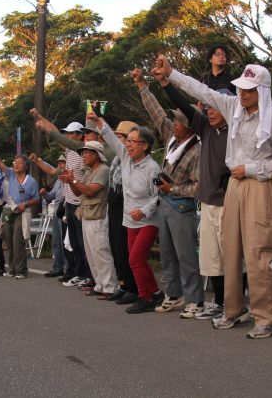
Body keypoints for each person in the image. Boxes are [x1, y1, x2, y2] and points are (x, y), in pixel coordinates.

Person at [154, 55, 272, 338]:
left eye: (249, 90)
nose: (242, 94)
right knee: (230, 249)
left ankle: (268, 318)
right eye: (240, 88)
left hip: (257, 185)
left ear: (262, 92)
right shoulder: (232, 107)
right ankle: (233, 309)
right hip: (234, 186)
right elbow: (202, 92)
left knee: (258, 252)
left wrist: (252, 168)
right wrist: (172, 74)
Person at [154, 73, 232, 320]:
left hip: (224, 203)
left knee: (226, 258)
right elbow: (180, 106)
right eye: (207, 108)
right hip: (205, 203)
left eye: (215, 107)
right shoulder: (201, 132)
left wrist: (173, 190)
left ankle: (225, 304)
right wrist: (164, 83)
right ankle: (216, 302)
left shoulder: (234, 132)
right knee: (210, 259)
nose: (209, 112)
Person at [132, 69, 204, 319]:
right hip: (164, 204)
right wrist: (142, 85)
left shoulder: (197, 151)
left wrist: (172, 188)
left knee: (186, 255)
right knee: (167, 254)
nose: (172, 123)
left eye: (177, 120)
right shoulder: (173, 138)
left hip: (182, 206)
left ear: (188, 126)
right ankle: (173, 295)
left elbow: (199, 187)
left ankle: (195, 299)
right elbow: (156, 112)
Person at [89, 110, 164, 314]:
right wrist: (99, 122)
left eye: (133, 141)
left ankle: (145, 297)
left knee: (135, 260)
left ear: (145, 145)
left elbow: (159, 196)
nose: (128, 144)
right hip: (129, 220)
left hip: (148, 220)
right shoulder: (125, 159)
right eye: (128, 141)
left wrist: (144, 210)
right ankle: (156, 292)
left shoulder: (153, 168)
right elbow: (112, 139)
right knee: (137, 259)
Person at [33, 111, 91, 287]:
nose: (66, 136)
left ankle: (86, 274)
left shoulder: (83, 151)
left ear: (79, 135)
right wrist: (39, 117)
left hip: (81, 202)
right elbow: (56, 133)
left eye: (70, 134)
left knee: (82, 242)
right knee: (72, 242)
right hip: (69, 203)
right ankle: (76, 272)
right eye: (66, 134)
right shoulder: (69, 151)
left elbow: (57, 135)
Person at [59, 141, 119, 299]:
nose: (83, 156)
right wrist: (71, 181)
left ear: (97, 154)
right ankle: (100, 284)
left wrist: (73, 181)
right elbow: (79, 193)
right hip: (87, 214)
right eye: (82, 153)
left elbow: (91, 191)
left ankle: (110, 287)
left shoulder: (103, 170)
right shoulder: (88, 171)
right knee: (91, 252)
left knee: (101, 251)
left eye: (87, 152)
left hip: (99, 215)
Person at [0, 142, 39, 279]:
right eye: (14, 162)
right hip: (9, 211)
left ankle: (21, 271)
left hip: (22, 212)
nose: (15, 165)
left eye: (19, 163)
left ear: (25, 166)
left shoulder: (31, 181)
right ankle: (13, 269)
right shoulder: (11, 175)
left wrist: (25, 204)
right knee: (8, 240)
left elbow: (36, 199)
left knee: (18, 241)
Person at [105, 121, 140, 304]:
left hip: (125, 203)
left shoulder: (130, 158)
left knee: (125, 247)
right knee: (116, 246)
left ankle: (133, 287)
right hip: (114, 202)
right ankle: (124, 284)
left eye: (121, 136)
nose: (119, 139)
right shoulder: (117, 158)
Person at [37, 154, 67, 278]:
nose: (60, 165)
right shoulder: (59, 180)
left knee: (65, 241)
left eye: (63, 162)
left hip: (65, 209)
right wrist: (44, 194)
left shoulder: (70, 177)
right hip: (56, 209)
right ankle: (57, 267)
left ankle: (68, 268)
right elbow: (51, 196)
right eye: (59, 163)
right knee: (56, 241)